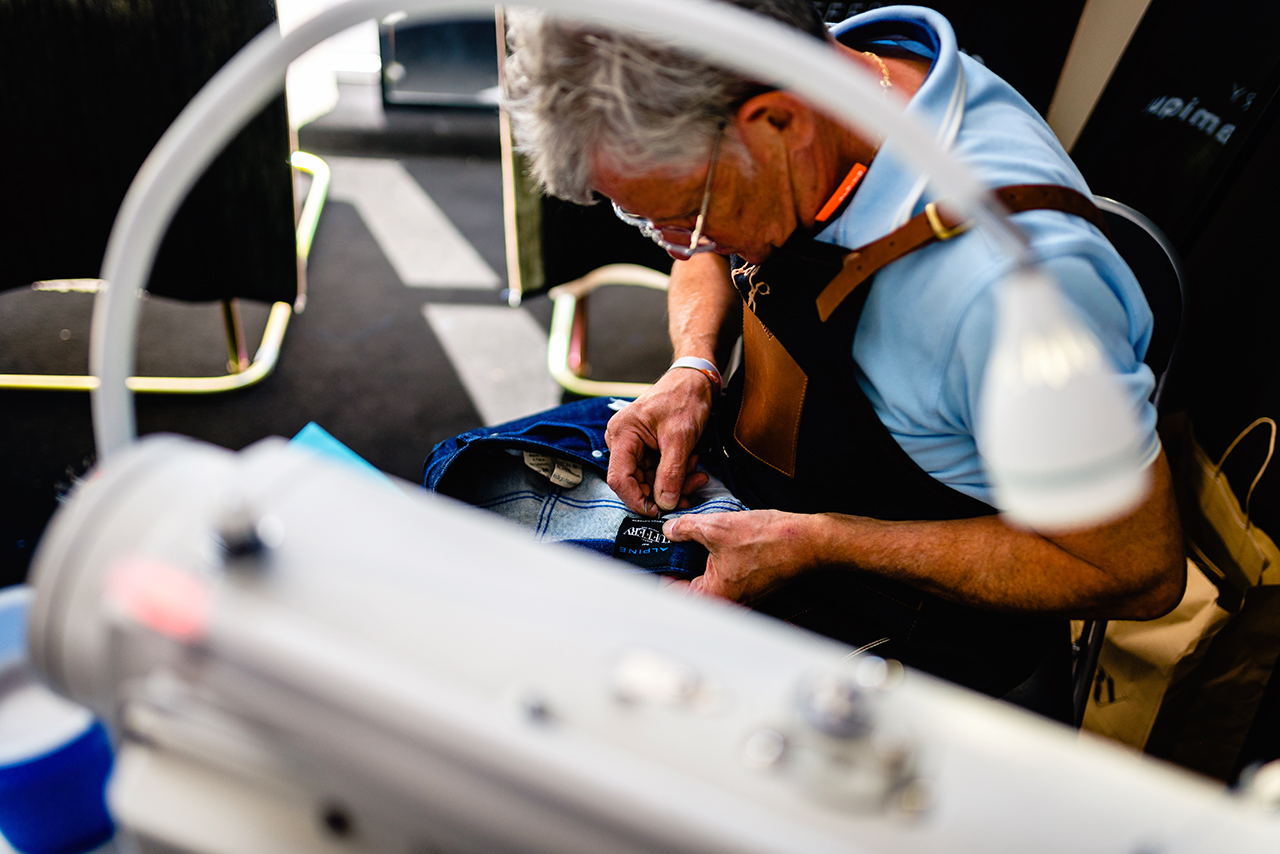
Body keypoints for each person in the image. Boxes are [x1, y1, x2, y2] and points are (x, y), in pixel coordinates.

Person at [501, 1, 1185, 704]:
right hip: (762, 493)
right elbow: (708, 250)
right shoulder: (831, 80)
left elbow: (1135, 568)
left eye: (681, 219)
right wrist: (694, 363)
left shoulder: (1008, 291)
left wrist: (820, 541)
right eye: (639, 216)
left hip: (911, 635)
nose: (682, 248)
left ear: (779, 124)